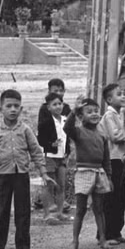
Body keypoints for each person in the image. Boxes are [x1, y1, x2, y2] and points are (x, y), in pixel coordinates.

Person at [0, 88, 46, 249]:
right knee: (1, 213)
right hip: (3, 176)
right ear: (0, 108)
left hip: (21, 175)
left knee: (23, 212)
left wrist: (43, 173)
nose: (12, 109)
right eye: (8, 106)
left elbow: (36, 152)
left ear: (21, 109)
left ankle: (23, 247)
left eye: (16, 106)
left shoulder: (25, 130)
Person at [69, 99, 111, 249]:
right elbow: (68, 128)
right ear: (81, 116)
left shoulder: (102, 134)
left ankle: (103, 239)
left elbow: (106, 159)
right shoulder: (78, 132)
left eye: (96, 111)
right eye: (89, 111)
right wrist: (74, 111)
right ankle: (75, 241)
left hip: (99, 172)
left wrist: (109, 176)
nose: (94, 114)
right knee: (80, 209)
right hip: (83, 172)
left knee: (99, 208)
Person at [36, 79, 75, 213]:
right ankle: (48, 206)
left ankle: (59, 208)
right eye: (55, 91)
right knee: (49, 181)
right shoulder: (44, 110)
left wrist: (68, 149)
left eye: (61, 91)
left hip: (62, 152)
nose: (59, 93)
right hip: (50, 153)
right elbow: (41, 133)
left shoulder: (67, 109)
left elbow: (69, 130)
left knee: (61, 183)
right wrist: (50, 144)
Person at [99, 83, 125, 245]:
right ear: (109, 100)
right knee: (110, 197)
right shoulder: (109, 116)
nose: (123, 96)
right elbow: (115, 136)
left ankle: (116, 231)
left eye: (124, 94)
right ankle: (106, 233)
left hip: (122, 158)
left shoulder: (121, 114)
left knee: (120, 197)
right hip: (113, 159)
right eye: (119, 94)